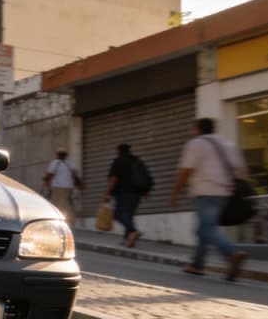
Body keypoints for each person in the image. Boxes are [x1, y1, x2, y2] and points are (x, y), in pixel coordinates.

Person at [171, 117, 248, 281]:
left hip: (205, 191)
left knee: (206, 229)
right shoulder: (228, 144)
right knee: (205, 228)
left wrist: (175, 193)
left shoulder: (196, 143)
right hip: (225, 193)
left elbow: (186, 171)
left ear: (198, 129)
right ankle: (197, 265)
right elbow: (241, 171)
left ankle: (231, 253)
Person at [105, 143, 152, 247]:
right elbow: (145, 176)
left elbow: (113, 179)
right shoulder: (137, 161)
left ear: (119, 151)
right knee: (129, 215)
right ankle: (129, 240)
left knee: (118, 215)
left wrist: (107, 193)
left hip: (123, 193)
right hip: (137, 193)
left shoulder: (118, 161)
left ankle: (133, 231)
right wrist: (146, 191)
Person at [43, 147, 83, 223]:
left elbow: (49, 175)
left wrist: (45, 184)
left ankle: (59, 221)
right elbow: (75, 176)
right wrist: (79, 186)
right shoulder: (70, 164)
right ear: (66, 155)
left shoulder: (54, 163)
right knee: (67, 205)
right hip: (69, 188)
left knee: (57, 205)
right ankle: (69, 220)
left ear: (57, 154)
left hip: (57, 187)